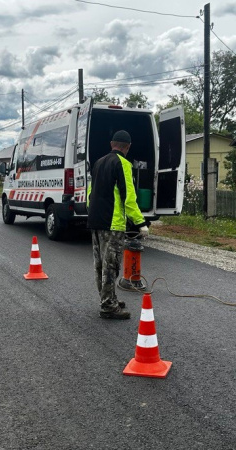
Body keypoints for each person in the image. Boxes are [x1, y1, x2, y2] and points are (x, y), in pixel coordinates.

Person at [87, 130, 149, 320]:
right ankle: (108, 306)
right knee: (111, 266)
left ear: (111, 144)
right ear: (127, 147)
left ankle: (109, 298)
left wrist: (92, 214)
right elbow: (129, 198)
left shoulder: (98, 162)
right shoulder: (124, 164)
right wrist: (141, 223)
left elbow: (91, 193)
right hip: (112, 224)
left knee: (100, 265)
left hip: (95, 221)